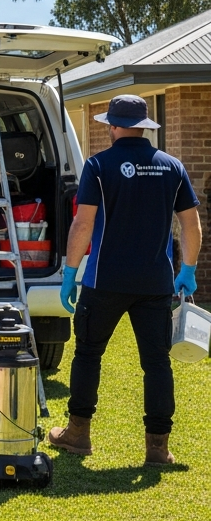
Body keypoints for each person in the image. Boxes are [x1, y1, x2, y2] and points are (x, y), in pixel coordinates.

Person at [49, 94, 200, 466]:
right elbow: (191, 223)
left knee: (88, 354)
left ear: (113, 126)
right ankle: (158, 448)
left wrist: (70, 274)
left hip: (105, 280)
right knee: (157, 363)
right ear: (145, 127)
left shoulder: (98, 166)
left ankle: (78, 435)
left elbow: (82, 223)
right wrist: (188, 270)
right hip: (155, 283)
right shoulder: (172, 166)